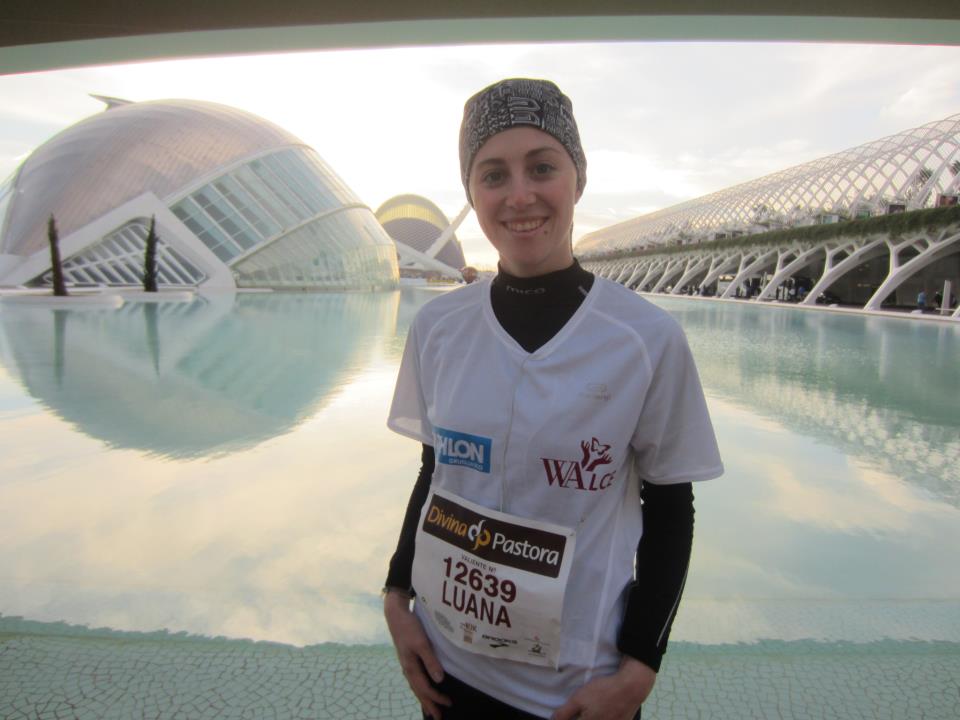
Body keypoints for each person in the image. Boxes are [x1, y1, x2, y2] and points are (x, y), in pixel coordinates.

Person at [383, 78, 723, 720]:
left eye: (542, 167)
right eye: (493, 175)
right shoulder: (438, 328)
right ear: (472, 194)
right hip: (446, 671)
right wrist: (397, 596)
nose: (519, 196)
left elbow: (670, 506)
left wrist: (640, 668)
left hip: (574, 696)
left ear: (578, 178)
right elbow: (435, 471)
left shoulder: (645, 339)